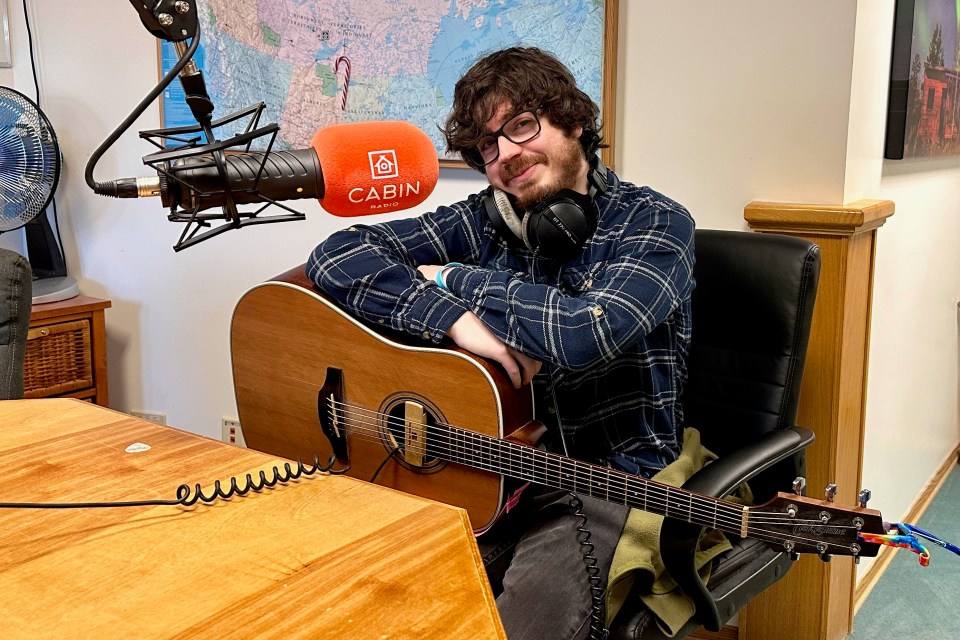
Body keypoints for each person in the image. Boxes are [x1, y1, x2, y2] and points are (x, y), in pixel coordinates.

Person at [307, 47, 695, 640]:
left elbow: (585, 332)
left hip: (610, 478)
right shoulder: (486, 218)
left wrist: (456, 278)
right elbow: (336, 255)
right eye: (488, 146)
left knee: (521, 628)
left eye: (520, 126)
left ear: (574, 122)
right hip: (490, 469)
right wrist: (451, 319)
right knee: (370, 594)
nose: (507, 155)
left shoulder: (656, 224)